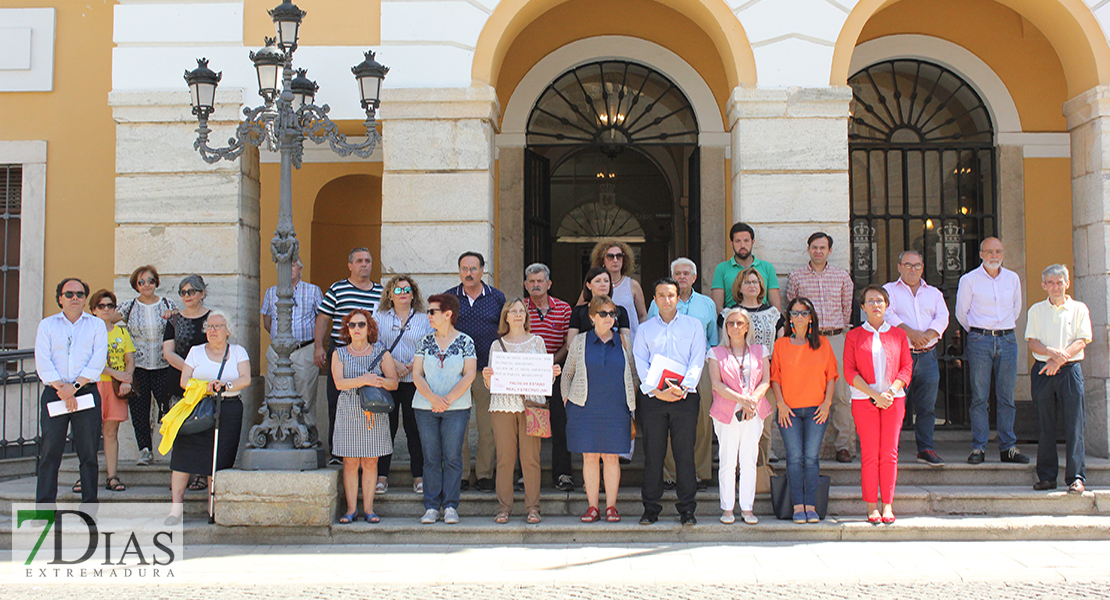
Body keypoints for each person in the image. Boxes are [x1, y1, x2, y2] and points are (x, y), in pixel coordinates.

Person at [633, 277, 707, 526]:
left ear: (678, 298)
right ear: (654, 299)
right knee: (653, 454)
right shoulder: (645, 329)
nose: (666, 300)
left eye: (671, 295)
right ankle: (650, 508)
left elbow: (697, 360)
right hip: (654, 399)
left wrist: (684, 388)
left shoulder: (693, 325)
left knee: (684, 454)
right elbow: (640, 362)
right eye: (661, 295)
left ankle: (687, 509)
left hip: (684, 397)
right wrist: (655, 391)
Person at [166, 310, 250, 525]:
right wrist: (206, 386)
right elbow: (184, 381)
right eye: (209, 327)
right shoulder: (195, 351)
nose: (212, 331)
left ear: (228, 330)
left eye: (218, 327)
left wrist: (226, 386)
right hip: (197, 407)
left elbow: (245, 379)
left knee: (219, 458)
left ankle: (213, 507)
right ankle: (175, 510)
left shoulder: (239, 352)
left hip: (228, 408)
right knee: (183, 456)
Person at [482, 298, 560, 524]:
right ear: (505, 317)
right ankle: (504, 507)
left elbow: (544, 380)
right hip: (503, 406)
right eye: (513, 311)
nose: (518, 314)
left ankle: (533, 508)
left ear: (526, 316)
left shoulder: (537, 342)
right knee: (505, 459)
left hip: (532, 406)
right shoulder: (497, 345)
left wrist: (552, 374)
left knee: (531, 459)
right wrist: (488, 378)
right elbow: (491, 385)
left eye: (521, 311)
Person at [955, 237, 1030, 465]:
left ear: (1003, 254)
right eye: (989, 252)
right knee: (979, 396)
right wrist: (979, 332)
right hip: (980, 340)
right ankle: (979, 447)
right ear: (981, 255)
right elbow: (961, 312)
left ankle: (1008, 447)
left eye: (998, 251)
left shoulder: (1013, 278)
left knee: (1006, 397)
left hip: (1007, 339)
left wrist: (1000, 328)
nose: (994, 256)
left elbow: (1016, 309)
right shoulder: (969, 280)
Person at [562, 295, 636, 523]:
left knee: (612, 458)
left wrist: (632, 406)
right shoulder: (580, 341)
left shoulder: (624, 341)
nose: (609, 318)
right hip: (585, 407)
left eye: (612, 314)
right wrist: (568, 402)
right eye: (603, 314)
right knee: (590, 457)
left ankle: (611, 507)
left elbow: (633, 374)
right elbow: (567, 374)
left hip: (616, 407)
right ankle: (592, 507)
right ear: (592, 317)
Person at [35, 278, 107, 504]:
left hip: (85, 393)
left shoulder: (96, 325)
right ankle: (45, 509)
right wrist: (63, 389)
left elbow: (98, 360)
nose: (74, 298)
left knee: (88, 455)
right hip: (54, 394)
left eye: (79, 294)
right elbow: (43, 360)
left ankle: (89, 508)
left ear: (85, 298)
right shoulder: (47, 325)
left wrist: (74, 388)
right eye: (69, 294)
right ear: (60, 298)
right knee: (49, 454)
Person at [845, 285, 912, 525]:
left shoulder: (898, 335)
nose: (876, 305)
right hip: (865, 399)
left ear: (887, 306)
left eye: (880, 301)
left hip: (894, 399)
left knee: (890, 453)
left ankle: (888, 504)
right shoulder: (853, 336)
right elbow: (849, 371)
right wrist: (875, 394)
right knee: (870, 453)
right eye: (870, 301)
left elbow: (906, 367)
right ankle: (872, 505)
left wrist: (891, 392)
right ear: (862, 307)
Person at [648, 258, 717, 491]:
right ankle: (670, 473)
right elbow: (651, 332)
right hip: (666, 368)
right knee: (668, 419)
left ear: (694, 278)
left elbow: (713, 339)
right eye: (677, 273)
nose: (682, 277)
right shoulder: (656, 302)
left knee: (701, 420)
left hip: (701, 367)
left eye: (686, 273)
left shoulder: (707, 304)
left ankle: (698, 472)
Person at [784, 232, 854, 463]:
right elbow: (792, 307)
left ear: (830, 251)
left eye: (823, 248)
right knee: (808, 391)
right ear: (808, 249)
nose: (818, 251)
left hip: (835, 338)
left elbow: (847, 309)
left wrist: (838, 330)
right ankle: (810, 448)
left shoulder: (842, 277)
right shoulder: (796, 277)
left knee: (841, 393)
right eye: (814, 247)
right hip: (808, 340)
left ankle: (844, 445)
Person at [315, 248, 385, 464]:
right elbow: (323, 318)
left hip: (370, 353)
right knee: (336, 402)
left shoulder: (381, 292)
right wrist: (319, 346)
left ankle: (368, 451)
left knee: (370, 403)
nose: (364, 264)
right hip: (341, 351)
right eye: (359, 261)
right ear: (350, 265)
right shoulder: (338, 288)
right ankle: (338, 453)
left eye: (368, 261)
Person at [771, 297, 838, 524]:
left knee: (810, 458)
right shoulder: (781, 345)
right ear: (789, 318)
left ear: (811, 317)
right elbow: (775, 378)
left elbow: (831, 376)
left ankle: (811, 505)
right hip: (788, 410)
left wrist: (827, 402)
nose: (799, 317)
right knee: (794, 457)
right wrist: (780, 403)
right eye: (794, 313)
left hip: (816, 410)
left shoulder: (822, 344)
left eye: (803, 313)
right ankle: (797, 506)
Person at [1025, 264, 1092, 494]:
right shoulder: (1036, 310)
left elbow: (1082, 340)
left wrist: (1058, 360)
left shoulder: (1079, 309)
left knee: (1075, 425)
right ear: (1044, 285)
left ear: (1067, 283)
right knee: (1045, 426)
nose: (1055, 286)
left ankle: (1076, 477)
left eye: (1059, 282)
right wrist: (1051, 354)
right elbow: (1032, 342)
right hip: (1043, 371)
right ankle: (1046, 477)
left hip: (1070, 370)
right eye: (1050, 282)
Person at [412, 294, 477, 525]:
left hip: (457, 407)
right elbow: (417, 373)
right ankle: (431, 506)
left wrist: (447, 399)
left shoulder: (466, 341)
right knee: (430, 458)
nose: (428, 316)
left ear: (447, 314)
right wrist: (432, 398)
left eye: (432, 311)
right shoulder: (424, 341)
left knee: (452, 457)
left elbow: (469, 374)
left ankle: (450, 505)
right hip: (424, 406)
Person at [444, 251, 505, 492]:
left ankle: (484, 475)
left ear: (482, 270)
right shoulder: (448, 298)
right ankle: (459, 475)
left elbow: (504, 331)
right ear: (459, 271)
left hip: (487, 372)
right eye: (464, 269)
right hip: (455, 373)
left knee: (487, 426)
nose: (468, 273)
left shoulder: (497, 297)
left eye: (473, 268)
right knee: (457, 426)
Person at [331, 309, 399, 523]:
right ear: (347, 329)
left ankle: (369, 509)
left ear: (369, 328)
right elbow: (339, 383)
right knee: (350, 462)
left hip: (374, 411)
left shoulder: (381, 353)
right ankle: (351, 510)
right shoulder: (339, 353)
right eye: (352, 325)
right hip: (349, 410)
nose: (357, 329)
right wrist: (364, 379)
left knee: (371, 462)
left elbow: (393, 382)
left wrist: (374, 381)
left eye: (361, 324)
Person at [883, 251, 948, 466]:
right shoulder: (889, 290)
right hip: (899, 356)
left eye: (917, 265)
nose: (913, 269)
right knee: (895, 405)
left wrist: (928, 335)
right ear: (899, 266)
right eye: (908, 265)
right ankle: (890, 450)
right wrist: (911, 333)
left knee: (927, 407)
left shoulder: (934, 293)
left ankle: (926, 449)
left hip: (927, 355)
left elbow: (943, 317)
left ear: (922, 267)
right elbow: (888, 314)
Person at [709, 307, 771, 525]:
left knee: (748, 460)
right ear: (725, 327)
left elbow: (766, 380)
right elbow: (716, 384)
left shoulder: (760, 350)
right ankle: (727, 508)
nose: (735, 327)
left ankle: (747, 508)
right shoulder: (715, 353)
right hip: (727, 412)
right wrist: (741, 399)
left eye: (740, 323)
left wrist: (751, 400)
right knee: (727, 460)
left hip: (753, 411)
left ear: (747, 327)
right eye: (731, 323)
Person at [373, 274, 433, 495]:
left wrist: (410, 365)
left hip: (413, 381)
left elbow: (429, 344)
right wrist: (393, 364)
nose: (403, 294)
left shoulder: (423, 318)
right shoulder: (379, 317)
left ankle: (418, 477)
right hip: (387, 381)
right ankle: (381, 476)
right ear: (389, 294)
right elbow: (374, 343)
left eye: (407, 290)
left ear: (413, 294)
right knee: (385, 430)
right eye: (397, 290)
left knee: (414, 430)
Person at [116, 265, 176, 466]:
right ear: (135, 285)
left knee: (169, 409)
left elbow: (179, 327)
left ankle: (174, 449)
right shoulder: (129, 307)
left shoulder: (168, 304)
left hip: (163, 365)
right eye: (141, 282)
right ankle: (145, 450)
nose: (146, 285)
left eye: (150, 281)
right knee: (139, 411)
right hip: (138, 366)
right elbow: (106, 321)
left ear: (156, 283)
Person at [261, 258, 323, 440]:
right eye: (284, 266)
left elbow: (322, 319)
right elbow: (267, 321)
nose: (289, 269)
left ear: (300, 269)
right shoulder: (271, 292)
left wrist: (318, 347)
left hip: (304, 349)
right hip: (277, 352)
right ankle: (275, 436)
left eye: (293, 265)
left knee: (306, 396)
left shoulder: (313, 291)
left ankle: (307, 436)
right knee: (273, 394)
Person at [523, 264, 572, 492]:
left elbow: (567, 343)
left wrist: (550, 363)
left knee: (560, 425)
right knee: (532, 425)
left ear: (548, 284)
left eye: (540, 281)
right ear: (526, 284)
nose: (535, 285)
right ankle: (528, 473)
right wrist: (535, 367)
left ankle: (562, 473)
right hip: (528, 375)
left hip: (557, 372)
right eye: (531, 281)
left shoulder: (563, 308)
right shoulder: (519, 308)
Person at [162, 274, 213, 492]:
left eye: (191, 291)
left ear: (202, 293)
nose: (187, 296)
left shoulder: (213, 318)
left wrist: (200, 375)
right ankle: (181, 474)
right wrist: (189, 370)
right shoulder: (173, 320)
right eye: (183, 292)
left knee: (204, 427)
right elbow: (168, 352)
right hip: (180, 379)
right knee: (181, 428)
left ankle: (202, 474)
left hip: (206, 382)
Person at [731, 267, 784, 467]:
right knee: (737, 426)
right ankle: (738, 473)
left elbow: (780, 346)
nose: (752, 285)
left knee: (764, 426)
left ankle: (760, 473)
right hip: (736, 378)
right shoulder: (730, 313)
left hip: (766, 377)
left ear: (761, 286)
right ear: (740, 288)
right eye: (747, 282)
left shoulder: (773, 314)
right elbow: (723, 346)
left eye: (755, 282)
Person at [92, 289, 134, 493]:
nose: (106, 309)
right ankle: (86, 476)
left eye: (110, 306)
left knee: (111, 432)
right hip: (94, 384)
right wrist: (115, 374)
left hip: (116, 388)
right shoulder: (88, 332)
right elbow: (88, 362)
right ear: (93, 310)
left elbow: (130, 360)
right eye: (101, 306)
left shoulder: (122, 332)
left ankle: (112, 476)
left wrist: (127, 379)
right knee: (89, 433)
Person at [711, 222, 782, 313]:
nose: (742, 245)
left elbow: (775, 306)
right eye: (738, 241)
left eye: (746, 240)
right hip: (733, 322)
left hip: (761, 319)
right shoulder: (721, 269)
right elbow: (717, 305)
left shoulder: (767, 268)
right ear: (731, 243)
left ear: (753, 242)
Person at [582, 240, 647, 337]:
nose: (615, 260)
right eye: (610, 256)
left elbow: (642, 316)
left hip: (630, 343)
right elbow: (581, 312)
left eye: (619, 256)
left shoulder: (633, 285)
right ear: (602, 260)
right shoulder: (593, 286)